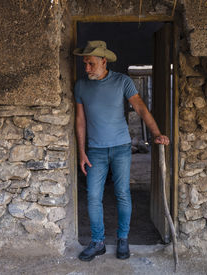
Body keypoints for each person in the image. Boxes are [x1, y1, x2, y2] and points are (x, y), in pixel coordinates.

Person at [73, 41, 169, 261]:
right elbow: (80, 120)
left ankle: (123, 239)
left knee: (122, 194)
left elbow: (141, 108)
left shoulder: (122, 81)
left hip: (121, 148)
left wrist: (156, 134)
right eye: (85, 64)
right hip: (95, 150)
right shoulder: (81, 86)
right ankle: (98, 242)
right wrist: (81, 151)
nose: (86, 68)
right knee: (94, 196)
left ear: (104, 61)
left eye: (91, 64)